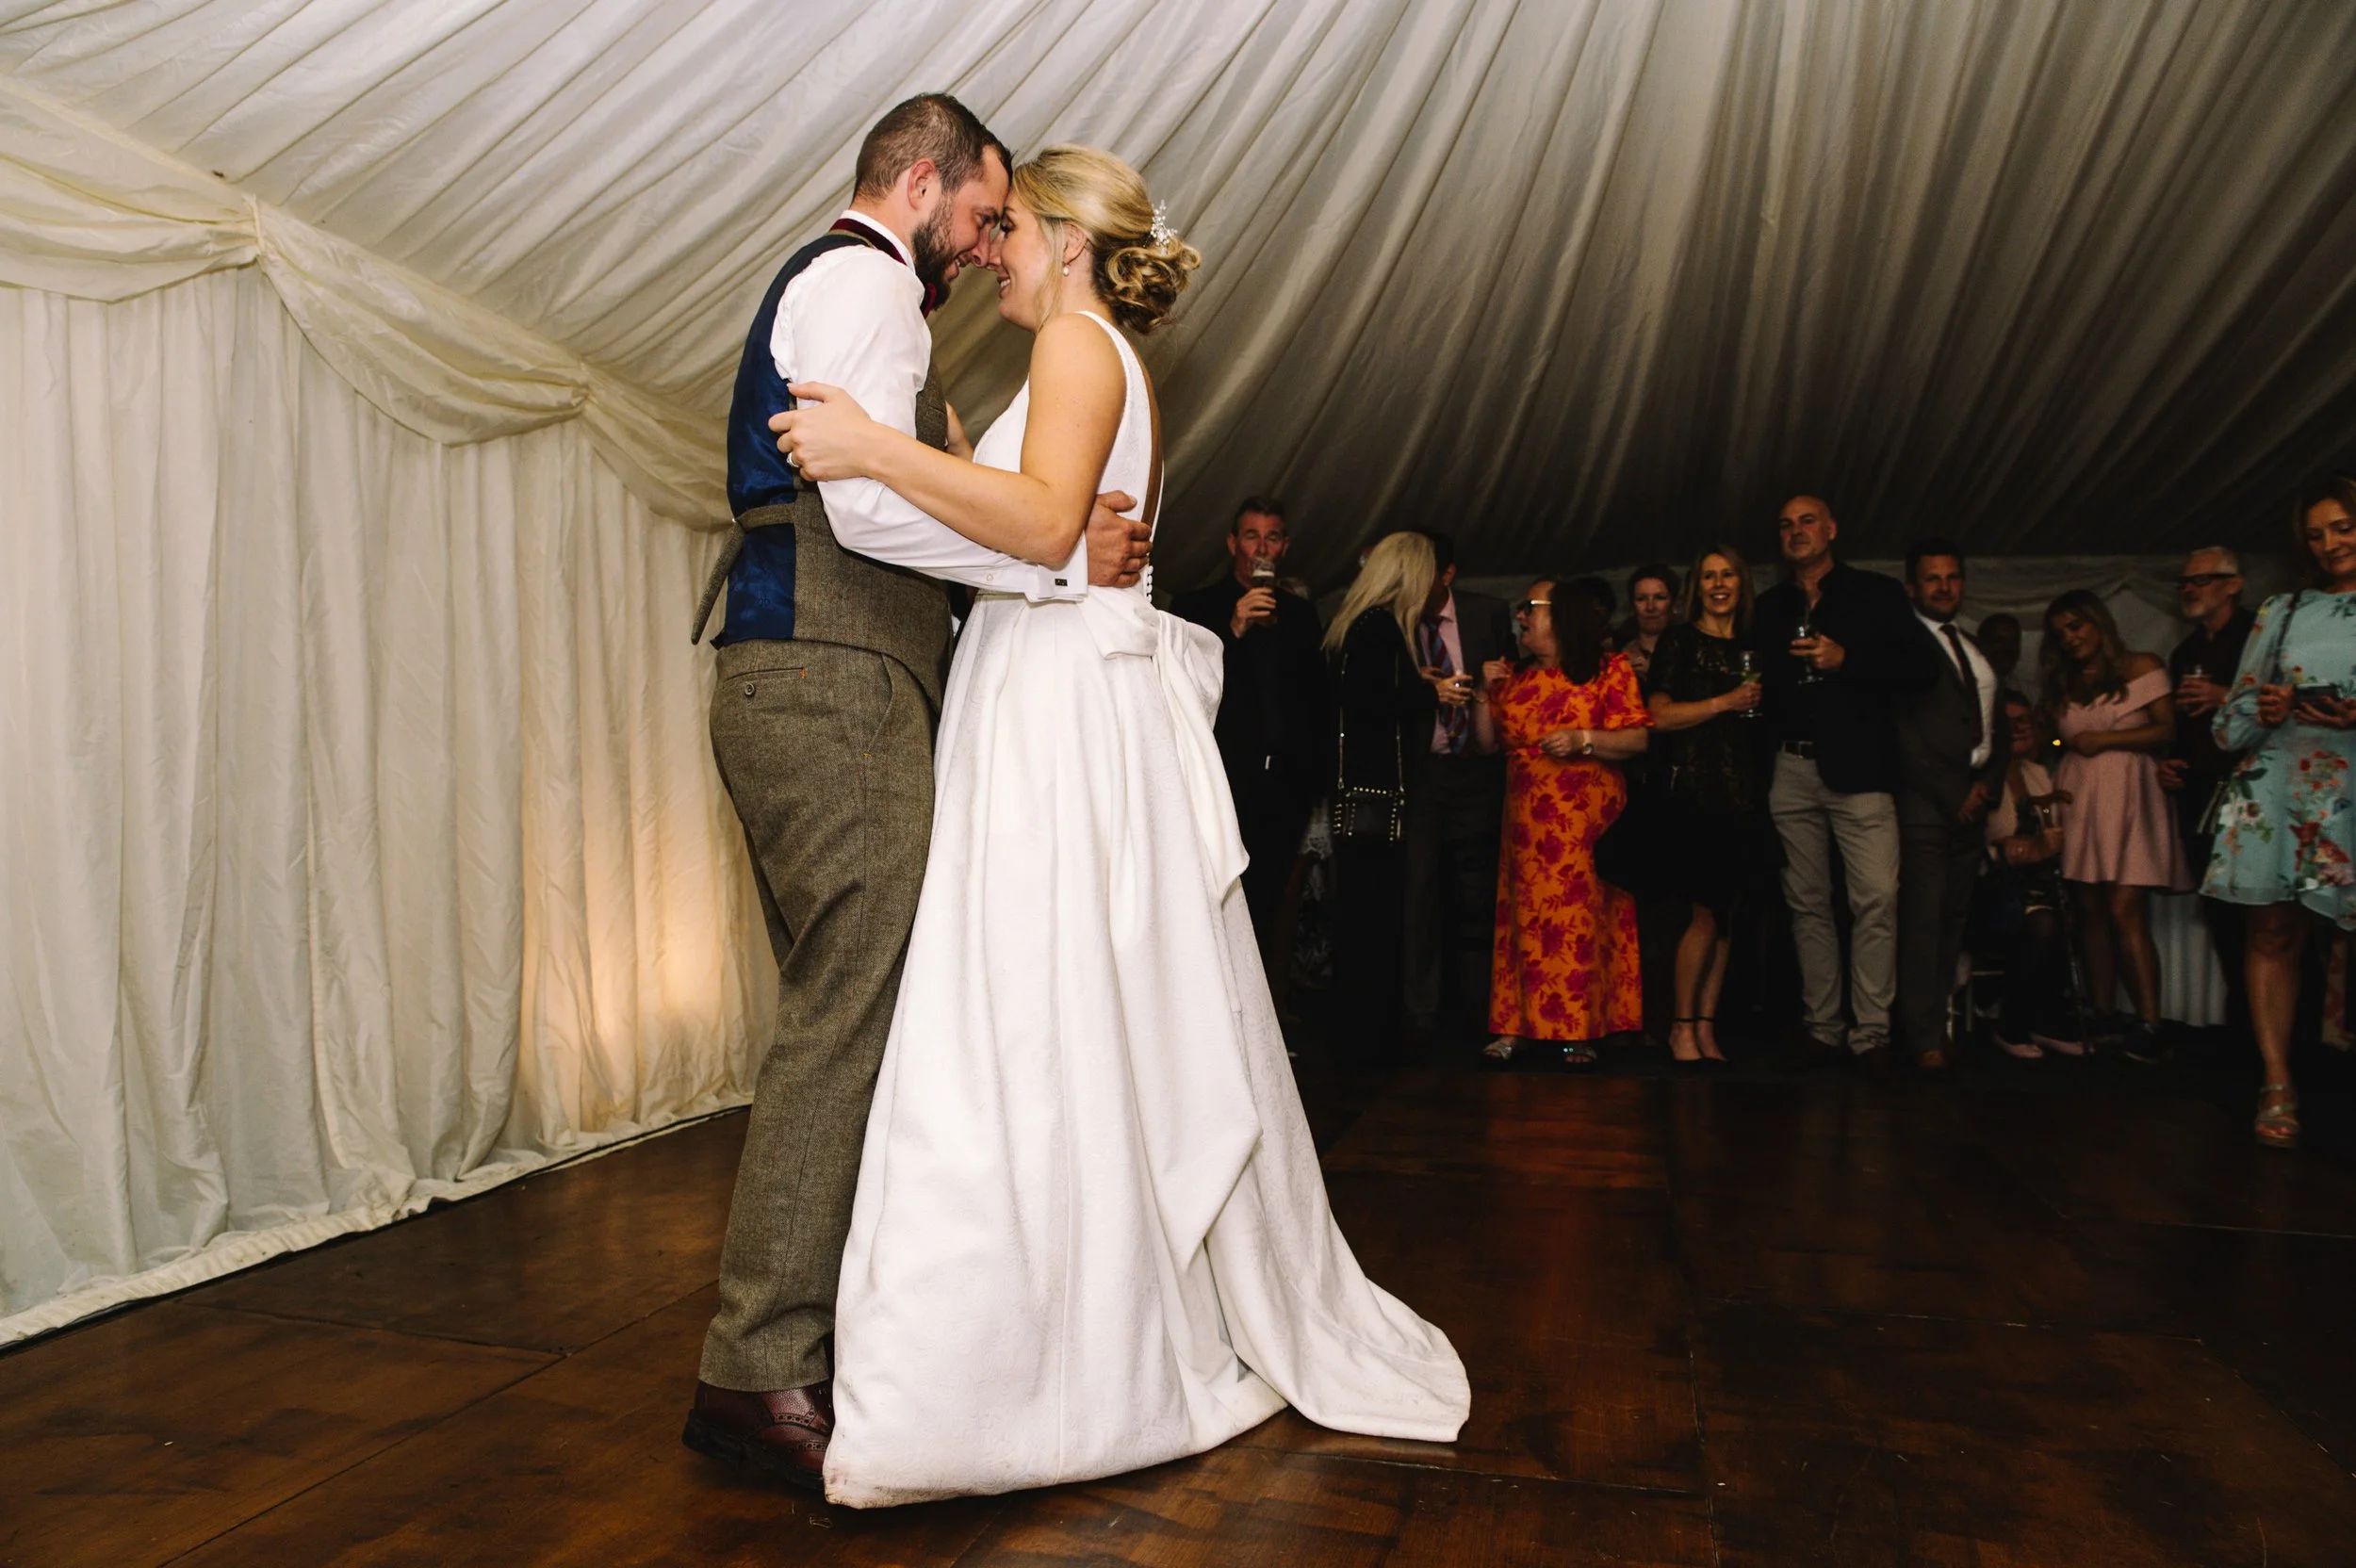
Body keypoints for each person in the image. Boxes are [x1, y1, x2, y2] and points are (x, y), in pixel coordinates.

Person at [770, 145, 1467, 1504]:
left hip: (1053, 711)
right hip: (1041, 687)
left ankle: (1034, 1369)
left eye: (1014, 230)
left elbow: (1043, 527)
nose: (994, 252)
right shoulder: (1081, 360)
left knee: (1029, 1014)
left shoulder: (1081, 346)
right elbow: (1036, 524)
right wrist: (955, 461)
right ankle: (1050, 1334)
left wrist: (872, 447)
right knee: (1052, 1013)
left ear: (1071, 242)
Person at [682, 95, 1152, 1490]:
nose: (988, 242)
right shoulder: (865, 282)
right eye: (984, 213)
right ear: (928, 183)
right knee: (851, 1011)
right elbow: (866, 504)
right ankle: (755, 1369)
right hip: (828, 671)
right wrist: (1058, 563)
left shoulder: (883, 300)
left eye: (1010, 226)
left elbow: (901, 485)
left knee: (853, 1010)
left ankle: (805, 1342)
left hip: (827, 671)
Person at [1752, 495, 1941, 1075]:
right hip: (1791, 769)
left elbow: (1922, 670)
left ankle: (1872, 1033)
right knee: (1806, 903)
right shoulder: (1770, 606)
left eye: (1807, 521)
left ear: (1832, 529)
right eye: (1786, 524)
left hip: (1861, 771)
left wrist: (1847, 660)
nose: (1796, 531)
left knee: (1877, 898)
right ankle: (1822, 1028)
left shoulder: (1875, 594)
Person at [2204, 474, 2356, 1149]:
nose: (2330, 544)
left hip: (2352, 784)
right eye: (2317, 535)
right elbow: (2227, 726)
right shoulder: (2283, 611)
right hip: (2282, 785)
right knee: (2272, 935)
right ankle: (2276, 1082)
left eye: (2343, 527)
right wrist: (2263, 709)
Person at [1481, 577, 1652, 1065]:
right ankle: (1515, 1026)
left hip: (1584, 823)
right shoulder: (1516, 678)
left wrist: (1583, 739)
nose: (1521, 616)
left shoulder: (1607, 670)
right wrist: (1482, 693)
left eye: (1530, 607)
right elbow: (1488, 743)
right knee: (1523, 922)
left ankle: (1581, 1029)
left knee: (1579, 922)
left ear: (1560, 616)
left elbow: (1637, 738)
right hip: (1526, 827)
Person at [1171, 497, 1331, 969]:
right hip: (1224, 785)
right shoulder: (1195, 608)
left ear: (1284, 548)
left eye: (1272, 537)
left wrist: (1313, 783)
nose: (1261, 548)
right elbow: (1186, 693)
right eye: (1251, 536)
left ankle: (1264, 1009)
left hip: (1285, 789)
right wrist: (1234, 629)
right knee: (1214, 903)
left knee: (1270, 907)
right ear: (1231, 543)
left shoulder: (1301, 616)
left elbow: (1318, 704)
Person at [1326, 532, 1460, 1062]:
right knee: (1373, 920)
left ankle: (1365, 1038)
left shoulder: (1361, 625)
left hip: (1365, 794)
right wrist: (1429, 691)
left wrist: (1414, 682)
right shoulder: (1379, 626)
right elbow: (1373, 702)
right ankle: (1367, 1043)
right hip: (1375, 796)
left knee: (1366, 918)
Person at [2040, 590, 2184, 1063]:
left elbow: (2167, 729)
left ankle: (2149, 1021)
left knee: (2125, 907)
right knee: (2090, 908)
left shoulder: (2141, 665)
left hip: (2131, 793)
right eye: (2060, 633)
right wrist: (2064, 742)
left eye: (2076, 626)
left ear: (2098, 622)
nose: (2069, 638)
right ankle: (2101, 1011)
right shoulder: (2064, 682)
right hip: (2080, 793)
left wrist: (2103, 740)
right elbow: (2055, 739)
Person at [1642, 546, 1769, 1065]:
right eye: (1710, 576)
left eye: (1728, 575)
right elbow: (1658, 716)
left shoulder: (1754, 646)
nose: (1719, 584)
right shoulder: (1680, 640)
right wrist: (1723, 703)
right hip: (1696, 793)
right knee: (1702, 916)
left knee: (1727, 918)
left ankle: (1705, 1026)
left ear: (1742, 584)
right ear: (1698, 587)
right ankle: (1680, 1026)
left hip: (1744, 794)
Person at [1893, 540, 2005, 1071]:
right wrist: (1952, 791)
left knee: (1953, 920)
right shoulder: (1903, 645)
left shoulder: (1973, 644)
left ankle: (1937, 1025)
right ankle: (1921, 1037)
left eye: (1952, 577)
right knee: (1923, 919)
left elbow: (1996, 722)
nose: (1944, 587)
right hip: (1925, 803)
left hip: (1973, 799)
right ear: (1912, 588)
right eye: (1933, 578)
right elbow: (1902, 733)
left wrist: (1986, 784)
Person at [1400, 532, 1517, 1045]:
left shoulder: (1487, 613)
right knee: (1420, 892)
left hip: (1477, 769)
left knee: (1478, 891)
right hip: (1423, 773)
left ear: (1447, 575)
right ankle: (1421, 1014)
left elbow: (1514, 686)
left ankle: (1480, 1010)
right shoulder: (1399, 619)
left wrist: (1496, 681)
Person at [2157, 547, 2257, 1038]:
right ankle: (2244, 1035)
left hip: (2253, 797)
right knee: (2222, 917)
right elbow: (2185, 728)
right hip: (2201, 800)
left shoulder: (2261, 636)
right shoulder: (2185, 653)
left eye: (2201, 580)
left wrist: (2226, 696)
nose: (2189, 590)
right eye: (2184, 582)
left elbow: (2289, 703)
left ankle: (2286, 1040)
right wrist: (2173, 764)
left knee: (2263, 920)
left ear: (2233, 584)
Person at [1978, 692, 2081, 1057]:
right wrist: (2014, 849)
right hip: (1988, 888)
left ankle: (2045, 1020)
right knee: (2043, 923)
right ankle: (2011, 1024)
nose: (2020, 728)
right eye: (2010, 721)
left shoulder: (2037, 774)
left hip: (2035, 884)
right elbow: (1970, 845)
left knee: (2075, 910)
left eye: (2025, 720)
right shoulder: (1977, 778)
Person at [1615, 563, 1679, 680]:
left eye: (1659, 597)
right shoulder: (1618, 657)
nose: (1650, 607)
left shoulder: (1691, 653)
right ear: (1632, 607)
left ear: (1675, 605)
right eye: (1641, 599)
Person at [1977, 612, 2023, 690]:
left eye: (2013, 641)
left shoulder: (2027, 692)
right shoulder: (1964, 687)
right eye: (2000, 640)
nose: (2008, 647)